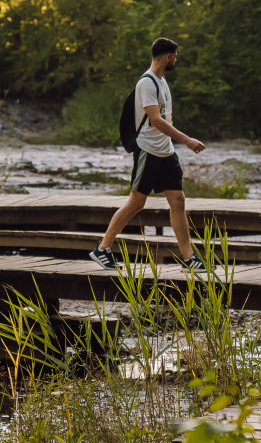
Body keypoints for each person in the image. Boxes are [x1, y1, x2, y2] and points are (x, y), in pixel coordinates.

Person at [90, 37, 210, 272]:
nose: (176, 59)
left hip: (166, 152)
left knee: (178, 200)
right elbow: (155, 121)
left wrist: (175, 145)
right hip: (148, 151)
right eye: (175, 56)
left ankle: (188, 258)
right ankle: (102, 249)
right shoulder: (146, 83)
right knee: (136, 203)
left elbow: (164, 119)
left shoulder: (162, 82)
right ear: (168, 57)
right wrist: (186, 140)